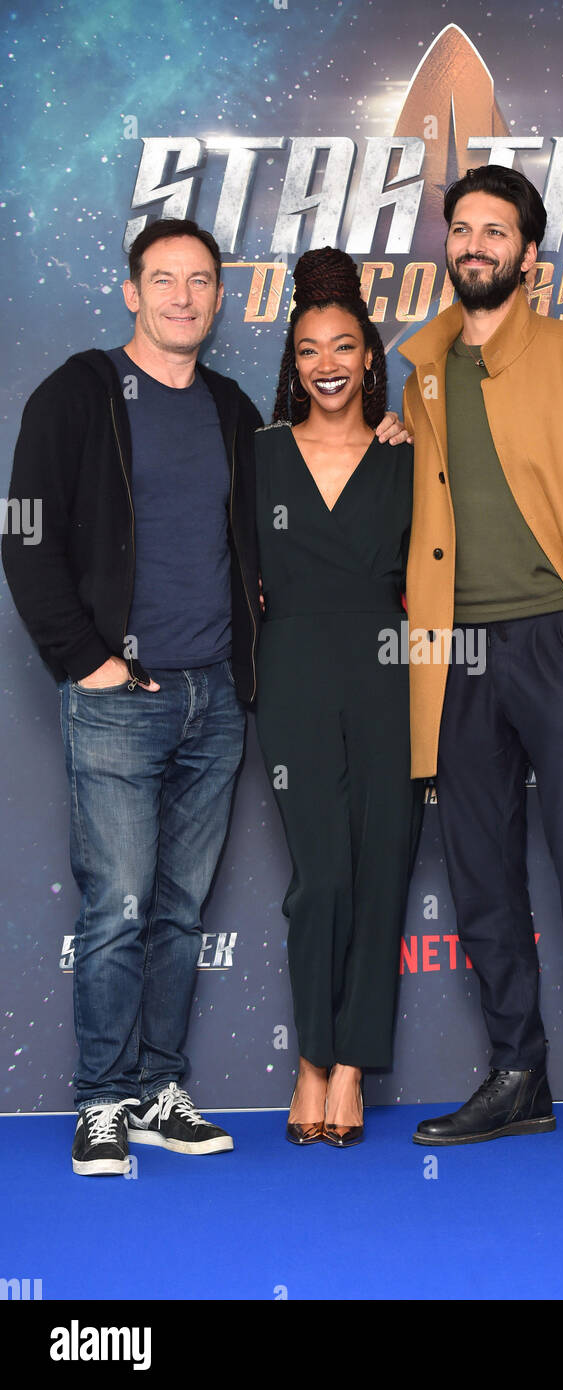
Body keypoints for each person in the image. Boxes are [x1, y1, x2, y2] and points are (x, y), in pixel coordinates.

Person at [399, 165, 563, 1166]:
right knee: (480, 879)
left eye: (495, 230)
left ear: (528, 254)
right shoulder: (422, 371)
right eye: (462, 228)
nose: (475, 244)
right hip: (455, 657)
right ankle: (517, 1078)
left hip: (558, 645)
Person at [2, 218, 260, 1174]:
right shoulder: (79, 391)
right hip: (119, 699)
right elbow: (25, 532)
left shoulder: (231, 408)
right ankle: (102, 1102)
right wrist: (88, 661)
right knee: (117, 908)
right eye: (164, 279)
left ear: (219, 298)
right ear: (131, 292)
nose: (182, 297)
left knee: (180, 912)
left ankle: (158, 1092)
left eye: (199, 281)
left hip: (214, 699)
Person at [255, 247, 422, 1147]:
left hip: (389, 673)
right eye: (309, 349)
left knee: (381, 865)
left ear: (368, 357)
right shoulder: (258, 455)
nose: (326, 363)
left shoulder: (405, 455)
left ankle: (352, 1067)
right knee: (320, 877)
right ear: (294, 361)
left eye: (343, 346)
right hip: (291, 674)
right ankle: (311, 1057)